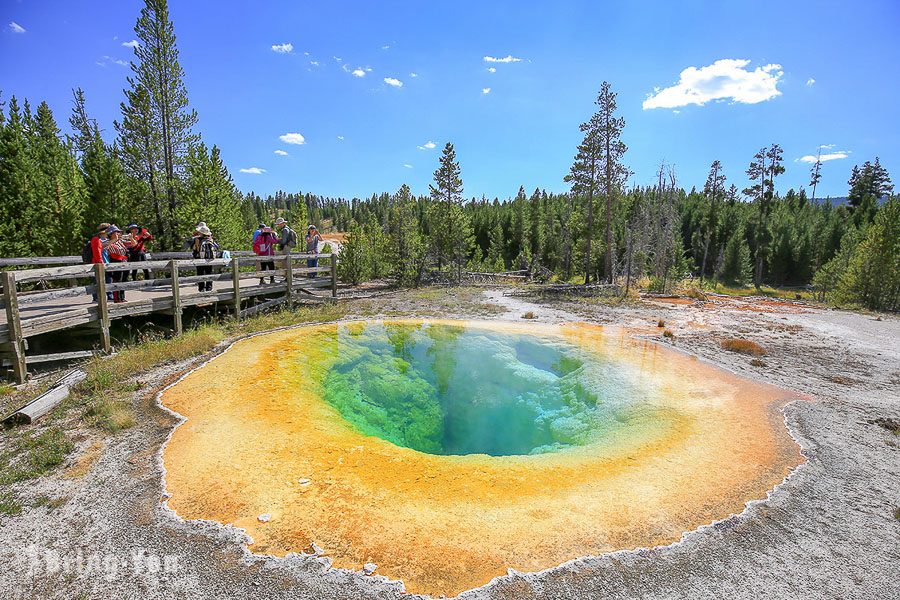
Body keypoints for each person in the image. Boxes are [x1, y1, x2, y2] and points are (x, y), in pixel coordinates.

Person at [106, 225, 129, 303]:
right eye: (117, 232)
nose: (118, 233)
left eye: (119, 232)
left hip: (124, 261)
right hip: (115, 262)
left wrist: (132, 237)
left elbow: (133, 244)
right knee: (117, 280)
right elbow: (106, 247)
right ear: (111, 233)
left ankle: (122, 297)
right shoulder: (107, 241)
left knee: (123, 280)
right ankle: (117, 298)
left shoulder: (120, 241)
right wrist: (115, 239)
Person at [90, 223, 112, 302]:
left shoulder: (104, 239)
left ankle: (110, 296)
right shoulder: (97, 239)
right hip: (99, 263)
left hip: (105, 262)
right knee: (97, 281)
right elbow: (98, 251)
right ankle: (96, 298)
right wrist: (100, 262)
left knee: (108, 279)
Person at [191, 224, 217, 292]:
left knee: (200, 274)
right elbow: (217, 247)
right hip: (209, 260)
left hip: (200, 259)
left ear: (201, 233)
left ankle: (201, 289)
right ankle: (209, 289)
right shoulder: (211, 239)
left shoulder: (197, 240)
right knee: (209, 274)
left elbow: (194, 249)